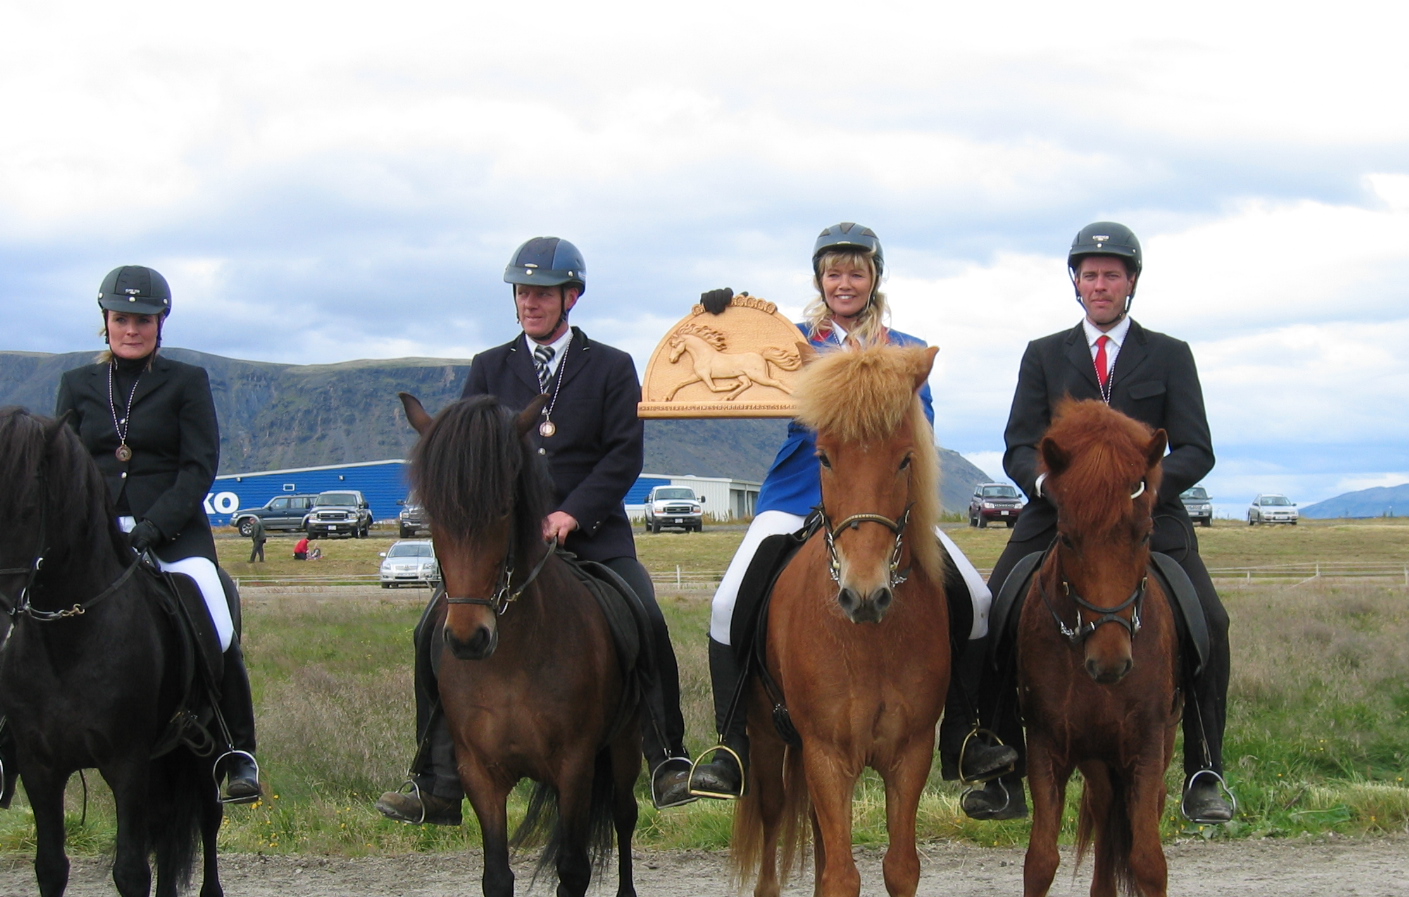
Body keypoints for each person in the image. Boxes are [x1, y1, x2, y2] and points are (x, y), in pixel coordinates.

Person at [375, 237, 694, 825]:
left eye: (543, 294)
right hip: (507, 545)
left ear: (572, 297)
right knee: (429, 632)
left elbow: (623, 456)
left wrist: (572, 513)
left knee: (646, 615)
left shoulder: (611, 366)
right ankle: (436, 779)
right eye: (523, 292)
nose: (530, 302)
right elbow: (469, 457)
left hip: (592, 536)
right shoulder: (489, 367)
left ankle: (667, 757)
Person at [690, 222, 1011, 799]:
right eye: (833, 273)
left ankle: (964, 733)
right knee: (725, 603)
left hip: (883, 501)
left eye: (856, 273)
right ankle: (730, 744)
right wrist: (720, 317)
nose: (844, 283)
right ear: (820, 280)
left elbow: (920, 428)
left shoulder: (906, 350)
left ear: (874, 279)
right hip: (800, 490)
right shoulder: (790, 343)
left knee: (978, 599)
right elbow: (736, 359)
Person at [965, 221, 1234, 824]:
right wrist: (1049, 488)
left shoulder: (1170, 354)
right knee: (991, 611)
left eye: (1112, 275)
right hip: (1059, 517)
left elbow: (1197, 448)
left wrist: (1146, 487)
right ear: (1076, 283)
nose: (1100, 285)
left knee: (1211, 621)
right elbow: (1018, 445)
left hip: (1145, 517)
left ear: (1131, 282)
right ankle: (1000, 765)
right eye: (1090, 275)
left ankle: (1205, 770)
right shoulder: (1043, 354)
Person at [53, 266, 261, 802]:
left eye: (142, 320)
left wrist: (153, 526)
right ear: (106, 320)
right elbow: (63, 465)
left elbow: (198, 466)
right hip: (91, 532)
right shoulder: (77, 384)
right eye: (121, 319)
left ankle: (237, 752)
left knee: (215, 617)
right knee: (22, 606)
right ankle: (9, 739)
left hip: (171, 533)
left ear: (159, 323)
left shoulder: (186, 381)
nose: (131, 329)